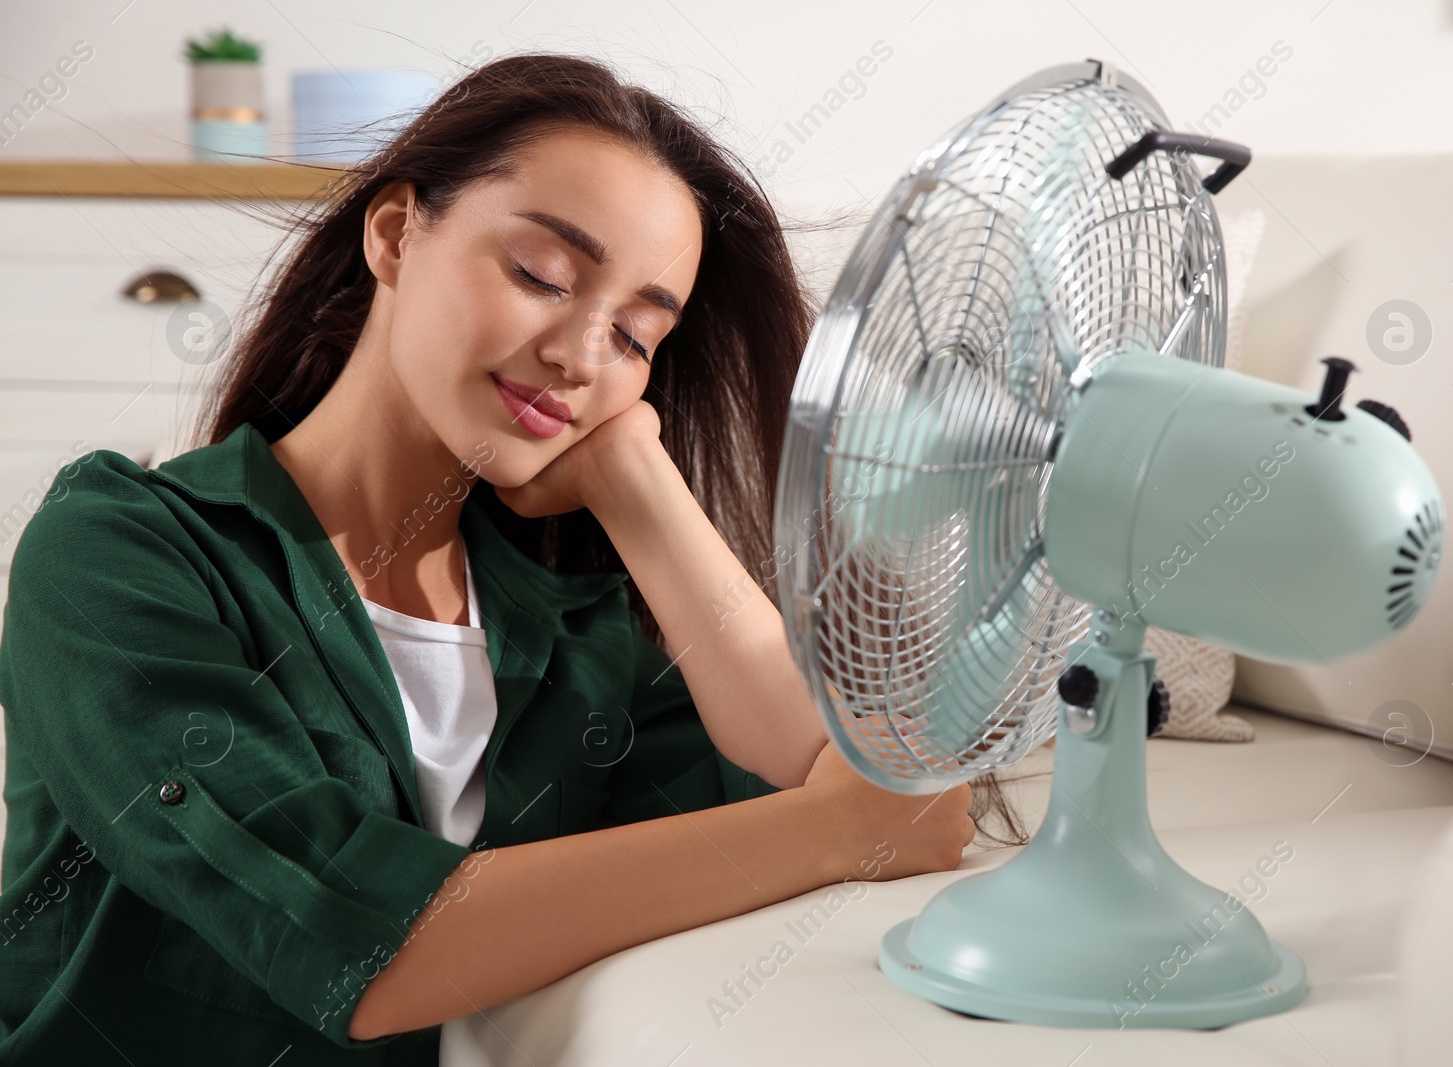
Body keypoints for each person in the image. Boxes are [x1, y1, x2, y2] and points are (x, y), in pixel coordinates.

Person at [0, 52, 1029, 1064]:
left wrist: (640, 484)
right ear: (398, 233)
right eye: (543, 274)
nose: (582, 355)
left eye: (635, 337)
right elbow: (356, 939)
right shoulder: (116, 552)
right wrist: (827, 832)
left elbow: (903, 802)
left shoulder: (582, 631)